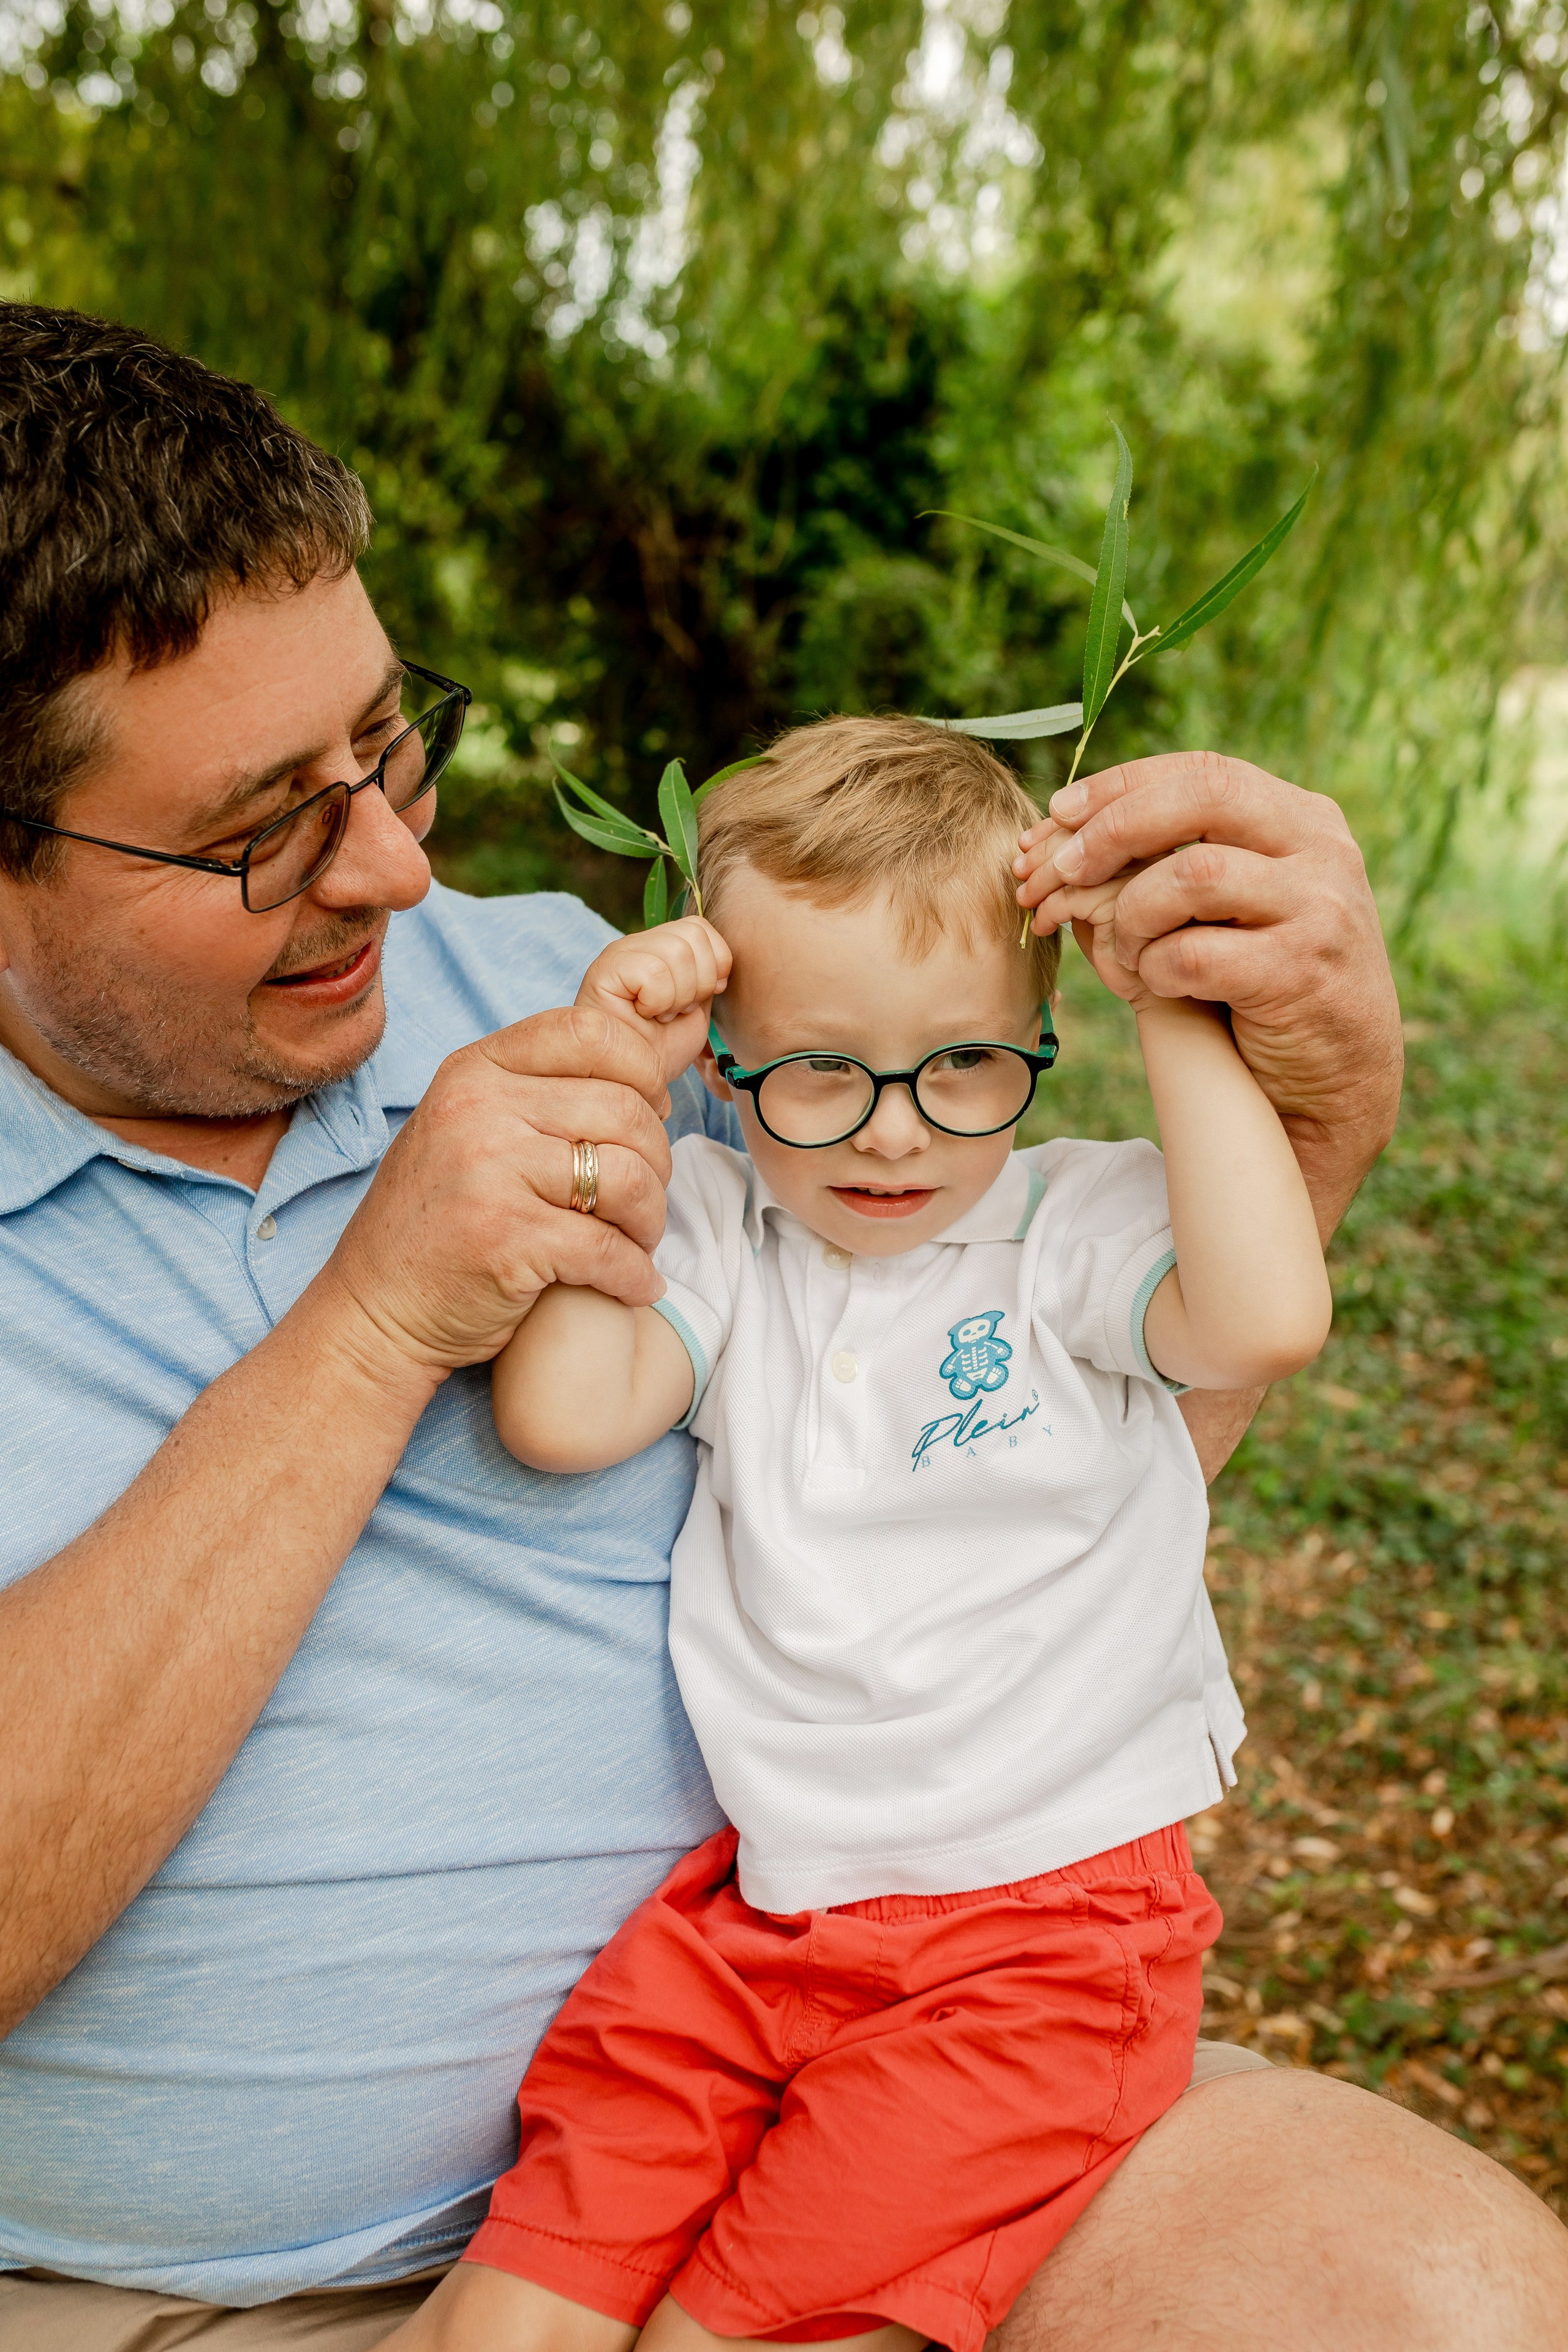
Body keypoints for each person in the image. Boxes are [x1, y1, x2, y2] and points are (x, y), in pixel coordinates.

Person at [0, 300, 1561, 2351]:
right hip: (225, 2286)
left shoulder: (637, 1001)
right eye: (259, 830)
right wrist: (375, 1322)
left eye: (389, 744)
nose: (396, 865)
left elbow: (1036, 1434)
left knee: (1431, 2300)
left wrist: (1299, 1116)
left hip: (911, 2031)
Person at [384, 717, 1332, 2352]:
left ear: (1045, 1031)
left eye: (966, 1062)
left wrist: (1167, 998)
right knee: (511, 2311)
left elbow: (1263, 1316)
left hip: (1042, 1944)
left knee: (724, 2334)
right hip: (761, 1924)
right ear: (723, 1054)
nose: (894, 1133)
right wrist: (612, 1077)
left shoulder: (1066, 1231)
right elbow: (565, 1409)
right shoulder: (721, 1228)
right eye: (817, 1070)